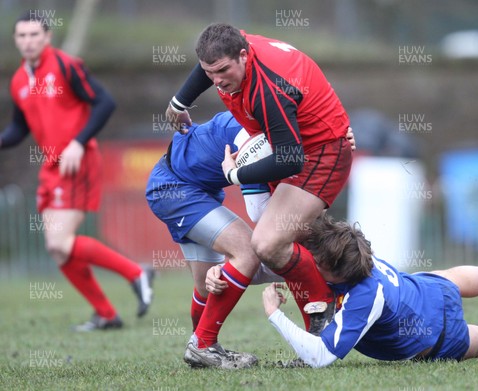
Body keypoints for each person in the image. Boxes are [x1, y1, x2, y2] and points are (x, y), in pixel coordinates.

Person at [165, 23, 353, 364]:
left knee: (266, 243)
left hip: (320, 153)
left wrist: (236, 173)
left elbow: (291, 157)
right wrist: (180, 100)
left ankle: (322, 324)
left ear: (243, 55)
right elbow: (211, 64)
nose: (217, 80)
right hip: (291, 147)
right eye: (211, 73)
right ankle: (324, 320)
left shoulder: (267, 90)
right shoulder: (232, 46)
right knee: (278, 244)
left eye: (223, 71)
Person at [147, 111, 356, 369]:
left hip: (189, 185)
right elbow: (262, 216)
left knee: (206, 285)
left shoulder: (274, 123)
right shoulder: (255, 140)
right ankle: (204, 345)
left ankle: (203, 349)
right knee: (252, 249)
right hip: (176, 189)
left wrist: (338, 139)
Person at [254, 215, 478, 367]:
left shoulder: (362, 298)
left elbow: (320, 356)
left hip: (433, 333)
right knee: (451, 277)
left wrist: (274, 314)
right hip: (425, 290)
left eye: (317, 261)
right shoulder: (357, 253)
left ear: (335, 271)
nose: (311, 260)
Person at [0, 11, 154, 331]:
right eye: (22, 36)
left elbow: (105, 102)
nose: (28, 41)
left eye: (34, 35)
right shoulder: (18, 81)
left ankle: (136, 272)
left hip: (77, 161)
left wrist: (78, 142)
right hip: (51, 166)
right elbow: (17, 128)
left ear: (47, 37)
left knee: (58, 242)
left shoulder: (65, 66)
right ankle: (107, 314)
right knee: (59, 251)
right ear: (15, 40)